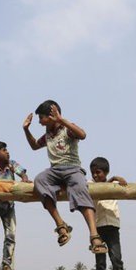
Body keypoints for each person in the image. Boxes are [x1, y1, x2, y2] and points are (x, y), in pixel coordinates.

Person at [23, 100, 107, 255]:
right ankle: (61, 225)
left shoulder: (67, 129)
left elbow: (83, 134)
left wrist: (61, 120)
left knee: (81, 189)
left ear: (51, 116)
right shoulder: (48, 134)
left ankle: (94, 236)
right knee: (39, 180)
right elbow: (35, 146)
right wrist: (26, 130)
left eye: (42, 118)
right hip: (55, 171)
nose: (40, 122)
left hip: (72, 169)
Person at [0, 141, 30, 270]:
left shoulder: (12, 164)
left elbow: (22, 172)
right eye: (4, 150)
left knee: (11, 235)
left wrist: (24, 180)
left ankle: (6, 264)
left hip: (9, 206)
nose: (7, 152)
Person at [89, 157, 126, 270]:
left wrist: (116, 178)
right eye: (93, 172)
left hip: (112, 226)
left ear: (106, 172)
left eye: (98, 172)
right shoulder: (91, 186)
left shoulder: (114, 186)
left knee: (116, 257)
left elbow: (126, 186)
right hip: (97, 227)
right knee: (100, 259)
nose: (95, 175)